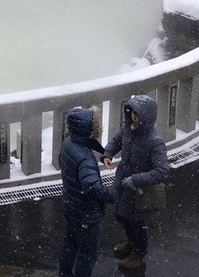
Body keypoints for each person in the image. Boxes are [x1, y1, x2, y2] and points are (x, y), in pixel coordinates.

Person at [100, 95, 169, 272]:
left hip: (139, 190)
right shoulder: (127, 128)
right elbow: (116, 141)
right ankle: (131, 241)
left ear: (147, 117)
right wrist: (107, 154)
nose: (133, 117)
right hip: (122, 180)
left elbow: (161, 171)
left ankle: (139, 254)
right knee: (120, 214)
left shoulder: (155, 141)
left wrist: (136, 179)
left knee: (137, 222)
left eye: (137, 114)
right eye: (131, 112)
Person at [59, 106, 116, 277]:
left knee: (70, 244)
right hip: (86, 214)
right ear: (87, 131)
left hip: (71, 206)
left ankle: (64, 274)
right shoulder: (85, 159)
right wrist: (113, 195)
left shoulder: (68, 143)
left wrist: (104, 153)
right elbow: (92, 188)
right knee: (87, 254)